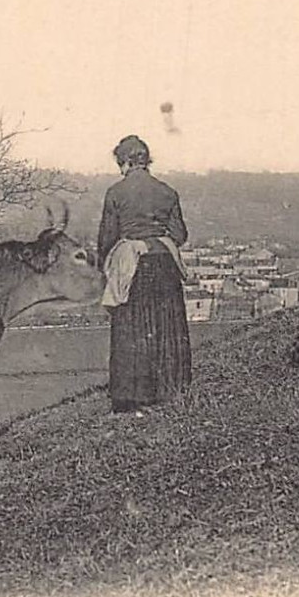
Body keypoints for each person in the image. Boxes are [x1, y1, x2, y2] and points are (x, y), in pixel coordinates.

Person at [98, 135, 192, 414]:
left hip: (133, 264)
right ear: (146, 160)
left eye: (120, 163)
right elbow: (179, 235)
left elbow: (107, 237)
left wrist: (106, 263)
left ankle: (131, 397)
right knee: (166, 327)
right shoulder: (167, 192)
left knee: (131, 328)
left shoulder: (116, 192)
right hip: (164, 262)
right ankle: (170, 389)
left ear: (125, 161)